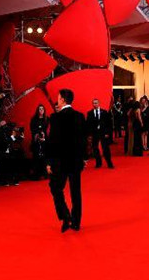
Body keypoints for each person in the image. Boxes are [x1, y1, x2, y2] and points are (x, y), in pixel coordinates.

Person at [45, 89, 87, 232]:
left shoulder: (55, 118)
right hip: (75, 161)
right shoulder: (80, 117)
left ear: (62, 100)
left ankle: (65, 215)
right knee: (76, 192)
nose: (57, 100)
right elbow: (83, 140)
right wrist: (84, 158)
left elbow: (53, 142)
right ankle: (76, 222)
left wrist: (49, 162)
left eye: (58, 98)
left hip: (60, 161)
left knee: (56, 188)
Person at [86, 99, 114, 169]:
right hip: (94, 133)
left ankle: (109, 163)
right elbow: (88, 124)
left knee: (105, 148)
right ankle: (98, 163)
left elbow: (108, 124)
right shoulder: (90, 113)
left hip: (103, 133)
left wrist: (108, 133)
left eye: (96, 103)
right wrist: (89, 134)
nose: (95, 104)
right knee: (95, 148)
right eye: (94, 103)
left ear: (99, 103)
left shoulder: (104, 112)